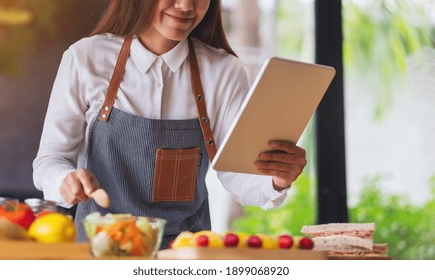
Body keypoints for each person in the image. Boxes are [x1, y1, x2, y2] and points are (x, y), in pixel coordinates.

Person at [33, 0, 307, 248]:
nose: (186, 6)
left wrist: (276, 178)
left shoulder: (224, 71)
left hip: (184, 257)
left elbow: (236, 173)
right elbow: (50, 160)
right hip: (101, 252)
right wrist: (65, 181)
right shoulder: (86, 58)